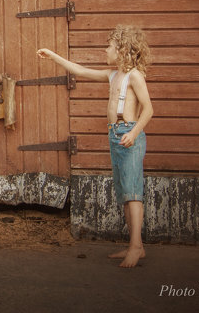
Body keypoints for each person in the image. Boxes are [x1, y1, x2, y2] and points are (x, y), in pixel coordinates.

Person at [37, 24, 153, 268]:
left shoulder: (135, 76)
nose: (105, 50)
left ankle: (135, 246)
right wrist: (54, 56)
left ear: (122, 50)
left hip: (128, 134)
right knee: (124, 192)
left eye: (109, 46)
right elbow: (80, 70)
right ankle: (136, 247)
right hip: (115, 135)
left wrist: (133, 133)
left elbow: (149, 109)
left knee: (133, 194)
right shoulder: (113, 75)